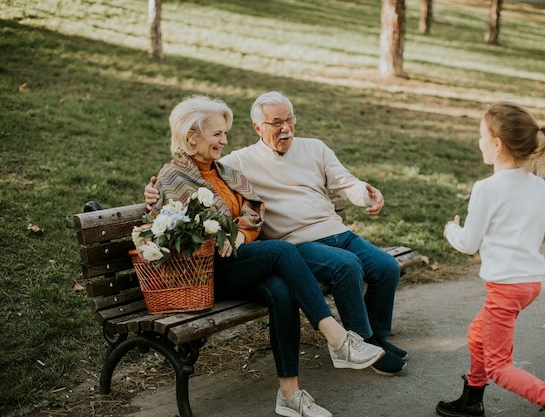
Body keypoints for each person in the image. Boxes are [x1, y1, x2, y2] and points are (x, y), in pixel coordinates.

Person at [150, 95, 385, 417]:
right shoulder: (175, 176)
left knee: (281, 290)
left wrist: (242, 230)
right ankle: (337, 338)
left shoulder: (222, 171)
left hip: (237, 261)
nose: (225, 140)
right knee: (282, 250)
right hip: (206, 272)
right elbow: (189, 232)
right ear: (192, 136)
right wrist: (234, 230)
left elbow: (250, 210)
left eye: (224, 133)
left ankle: (289, 395)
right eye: (217, 133)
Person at [437, 102, 545, 417]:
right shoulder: (537, 185)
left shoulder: (486, 188)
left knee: (499, 367)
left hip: (505, 288)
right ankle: (472, 398)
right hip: (528, 284)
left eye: (482, 136)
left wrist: (450, 230)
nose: (479, 142)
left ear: (497, 145)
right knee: (477, 335)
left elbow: (468, 242)